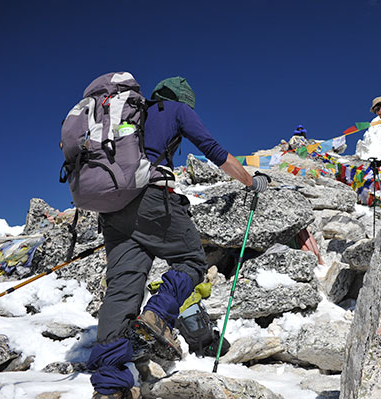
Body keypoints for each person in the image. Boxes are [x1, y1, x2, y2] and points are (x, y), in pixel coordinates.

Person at [87, 76, 269, 399]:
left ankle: (109, 386)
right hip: (151, 199)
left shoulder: (127, 116)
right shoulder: (174, 110)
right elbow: (212, 148)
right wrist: (249, 180)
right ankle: (158, 314)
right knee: (191, 260)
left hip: (112, 210)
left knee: (121, 289)